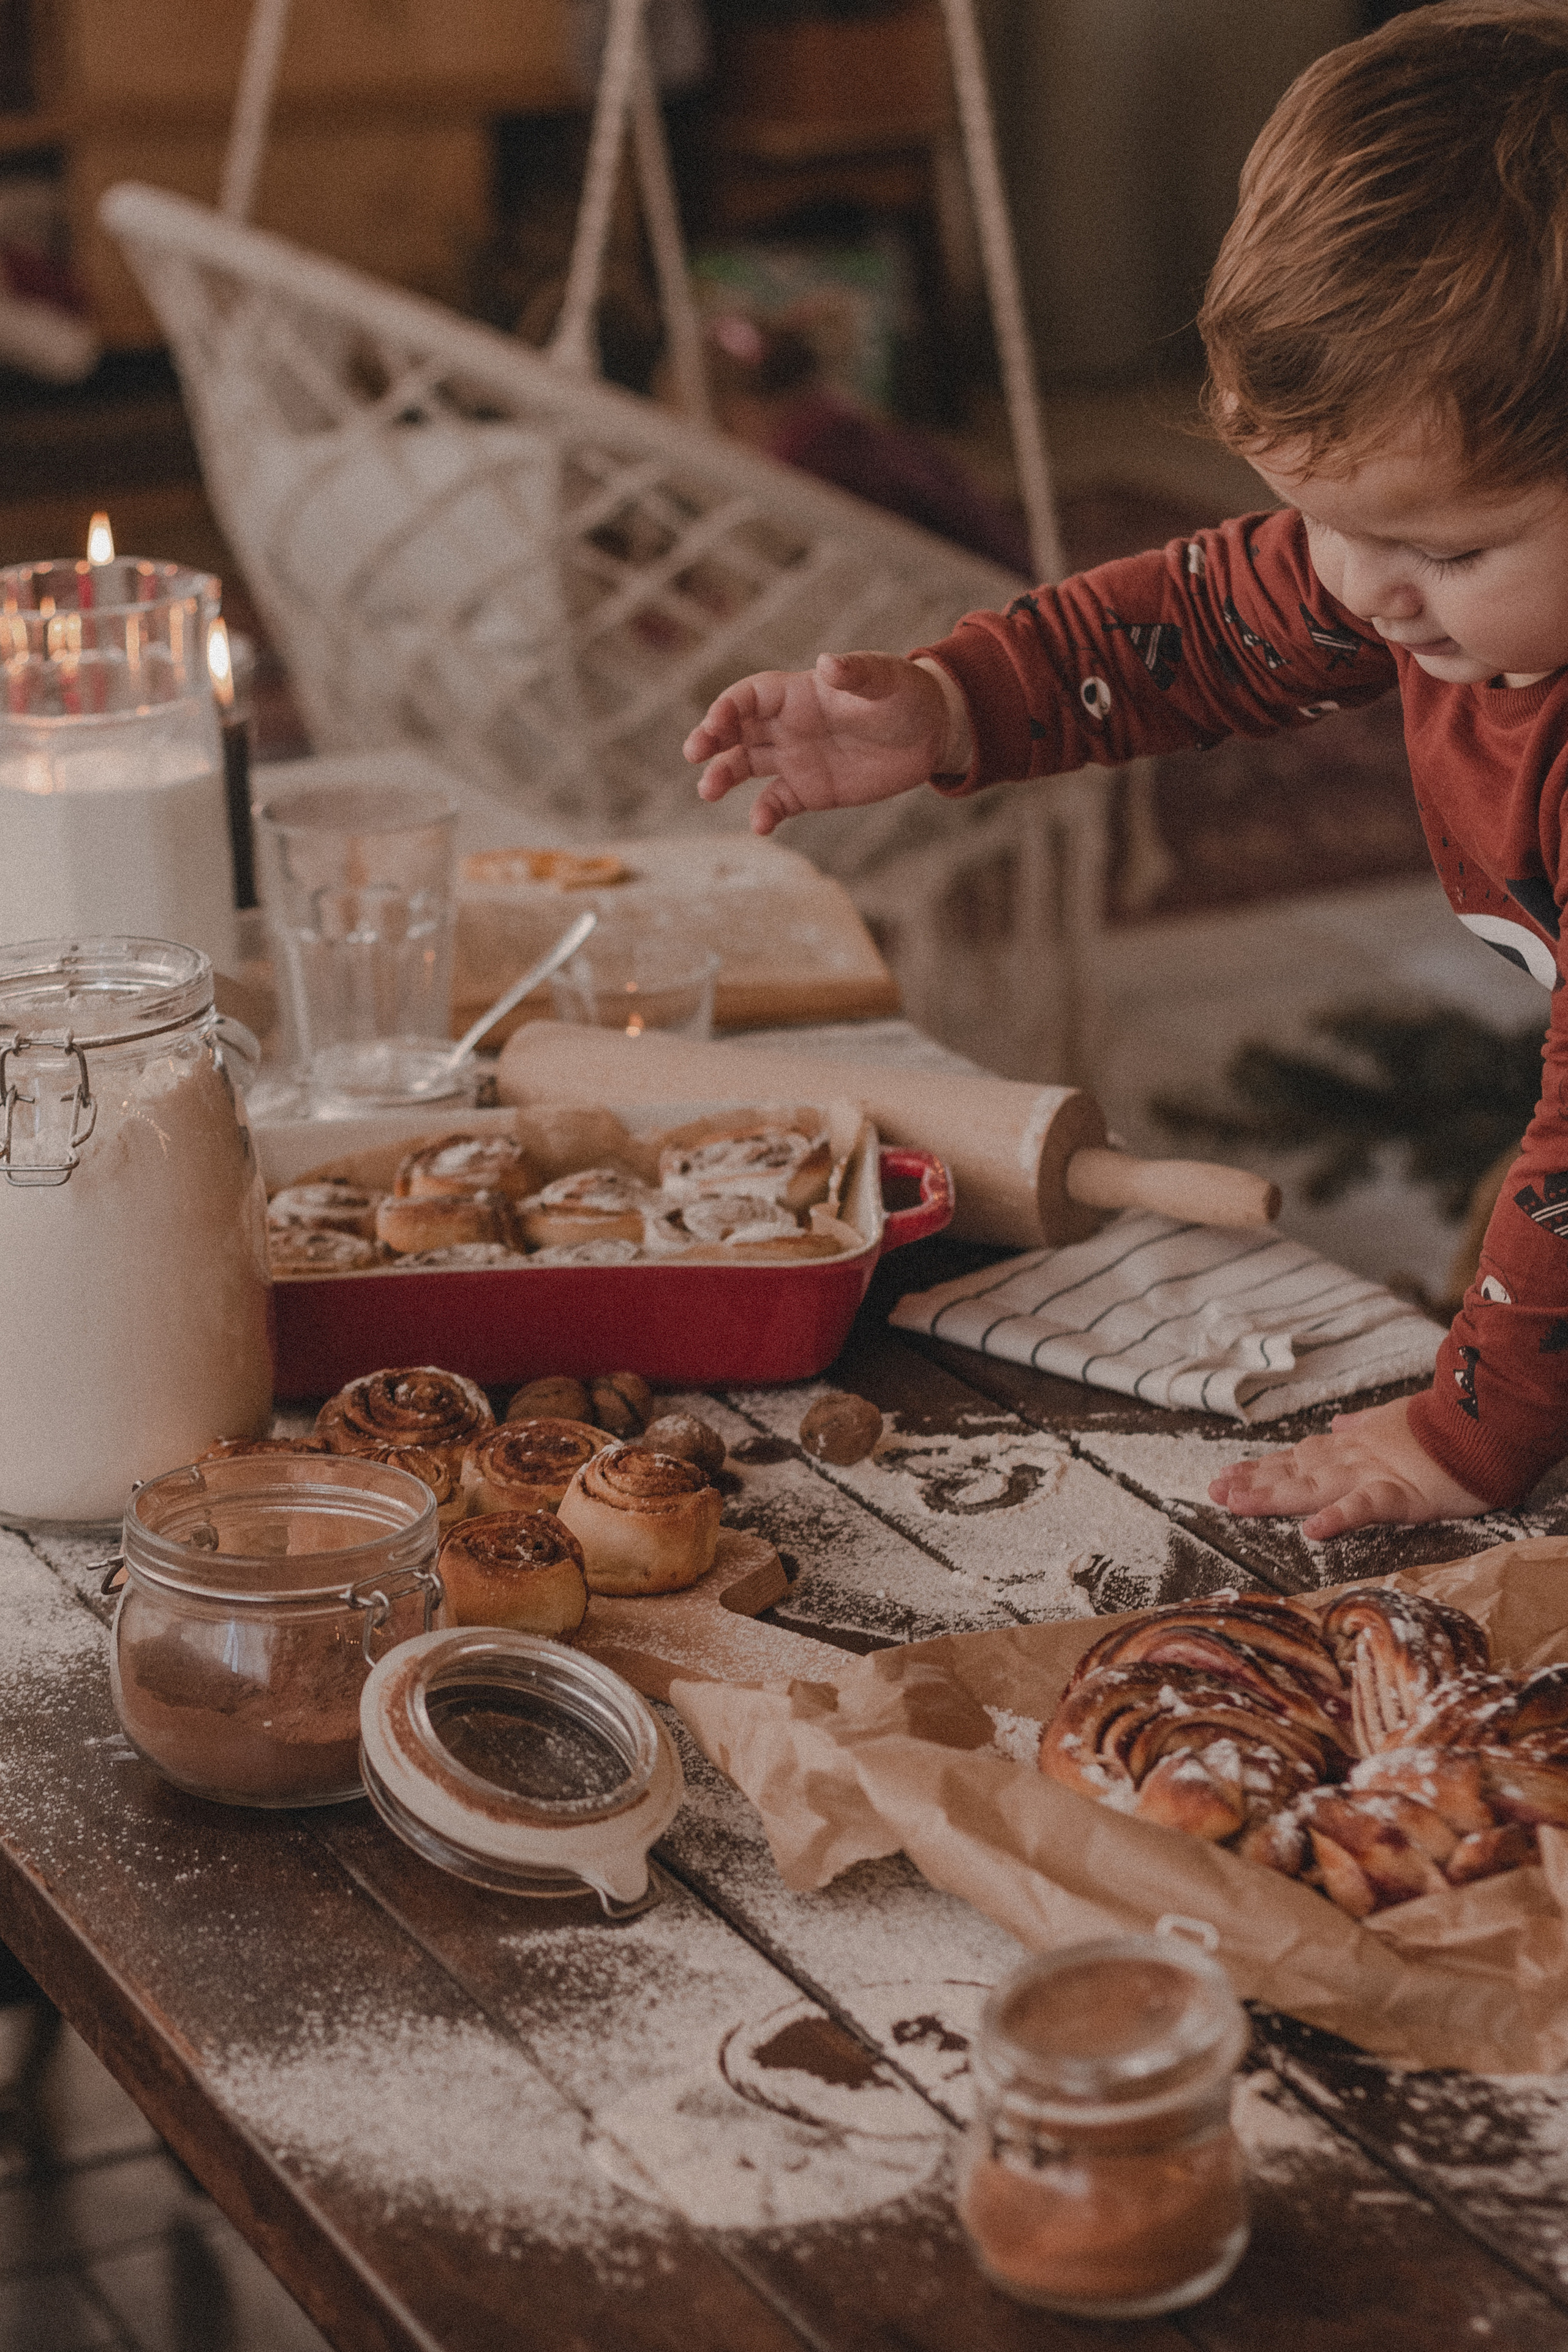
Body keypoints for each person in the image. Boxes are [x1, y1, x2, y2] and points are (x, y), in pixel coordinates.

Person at [684, 0, 1568, 1542]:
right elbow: (1212, 622)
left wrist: (1459, 1443)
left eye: (1444, 547)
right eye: (1320, 517)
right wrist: (958, 703)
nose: (1359, 590)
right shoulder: (1400, 580)